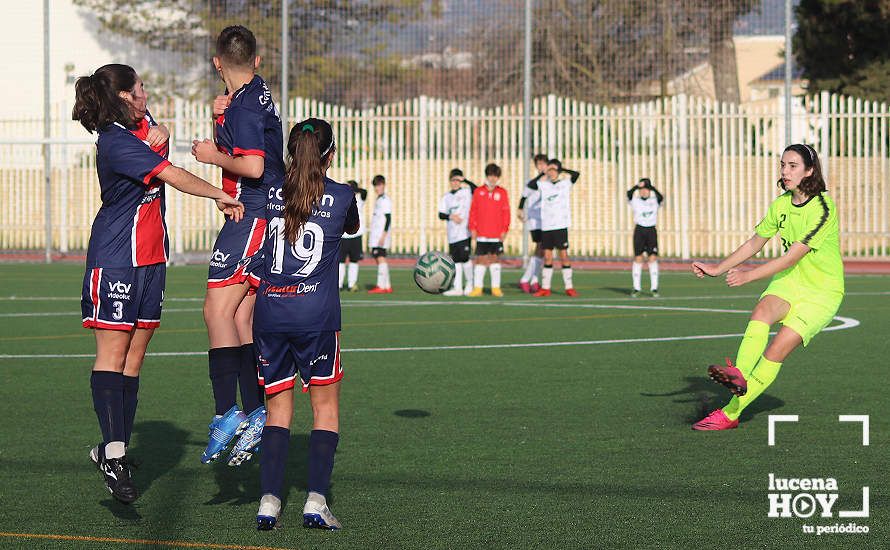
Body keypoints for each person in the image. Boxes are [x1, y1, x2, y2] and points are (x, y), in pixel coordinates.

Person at [73, 63, 244, 503]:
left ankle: (116, 449)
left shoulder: (139, 127)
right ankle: (112, 454)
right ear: (126, 96)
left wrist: (162, 131)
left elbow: (159, 130)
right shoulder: (115, 142)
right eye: (141, 88)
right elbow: (172, 175)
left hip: (151, 260)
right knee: (113, 355)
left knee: (134, 358)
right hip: (116, 259)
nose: (147, 93)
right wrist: (220, 194)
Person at [252, 118, 359, 530]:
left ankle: (268, 502)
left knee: (278, 411)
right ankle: (315, 500)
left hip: (270, 314)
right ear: (330, 155)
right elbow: (349, 225)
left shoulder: (270, 191)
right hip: (315, 317)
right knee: (325, 407)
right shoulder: (343, 194)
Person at [691, 144, 843, 431]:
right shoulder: (781, 204)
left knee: (775, 350)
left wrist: (748, 276)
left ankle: (731, 412)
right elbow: (755, 242)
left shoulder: (824, 208)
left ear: (810, 170)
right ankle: (739, 374)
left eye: (793, 166)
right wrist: (716, 268)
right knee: (762, 310)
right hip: (791, 282)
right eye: (782, 165)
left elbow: (791, 257)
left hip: (822, 292)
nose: (785, 171)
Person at [192, 25, 284, 465]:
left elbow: (251, 163)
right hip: (259, 212)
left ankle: (226, 411)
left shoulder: (245, 105)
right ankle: (256, 411)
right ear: (258, 61)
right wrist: (219, 117)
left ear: (216, 62)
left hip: (252, 216)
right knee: (242, 315)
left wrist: (212, 155)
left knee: (216, 310)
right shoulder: (255, 93)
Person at [532, 159, 580, 297]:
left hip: (560, 225)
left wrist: (561, 169)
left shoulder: (565, 184)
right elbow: (531, 186)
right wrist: (543, 173)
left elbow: (576, 174)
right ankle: (545, 288)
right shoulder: (543, 184)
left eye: (554, 170)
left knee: (563, 256)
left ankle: (569, 287)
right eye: (550, 170)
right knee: (547, 257)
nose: (552, 173)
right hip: (546, 226)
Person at [467, 163, 510, 297]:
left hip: (496, 233)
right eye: (491, 175)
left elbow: (506, 213)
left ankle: (495, 288)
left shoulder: (502, 192)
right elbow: (473, 211)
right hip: (481, 233)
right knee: (480, 259)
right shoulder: (478, 192)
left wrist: (505, 229)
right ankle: (478, 288)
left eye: (495, 176)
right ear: (487, 176)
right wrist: (472, 228)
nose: (493, 179)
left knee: (494, 259)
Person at [437, 168, 476, 296]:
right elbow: (441, 214)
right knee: (456, 260)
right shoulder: (446, 197)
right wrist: (451, 217)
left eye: (458, 180)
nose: (455, 182)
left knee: (465, 258)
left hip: (464, 232)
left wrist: (466, 180)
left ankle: (470, 284)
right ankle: (457, 287)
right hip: (452, 234)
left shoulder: (466, 192)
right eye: (453, 180)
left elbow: (477, 189)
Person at [627, 178, 664, 297]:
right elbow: (628, 193)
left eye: (646, 189)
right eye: (641, 190)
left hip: (651, 230)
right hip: (639, 230)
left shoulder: (655, 200)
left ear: (649, 190)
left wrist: (650, 186)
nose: (643, 192)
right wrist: (637, 186)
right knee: (638, 258)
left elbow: (661, 197)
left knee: (652, 258)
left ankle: (654, 288)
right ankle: (636, 287)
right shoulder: (635, 200)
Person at [518, 153, 548, 293]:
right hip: (536, 220)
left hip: (549, 220)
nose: (541, 167)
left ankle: (534, 280)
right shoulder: (533, 182)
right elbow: (524, 195)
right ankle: (525, 279)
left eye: (543, 164)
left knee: (543, 251)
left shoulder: (550, 182)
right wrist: (520, 209)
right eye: (538, 164)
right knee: (540, 248)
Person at [338, 180, 367, 292]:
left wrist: (355, 189)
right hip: (343, 235)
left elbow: (365, 192)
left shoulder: (359, 199)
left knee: (354, 260)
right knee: (340, 261)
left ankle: (351, 284)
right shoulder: (342, 200)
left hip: (356, 235)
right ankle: (339, 284)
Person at [367, 175, 393, 293]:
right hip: (376, 235)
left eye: (379, 185)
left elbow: (388, 219)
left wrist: (384, 235)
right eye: (376, 186)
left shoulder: (385, 200)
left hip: (381, 236)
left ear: (383, 185)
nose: (378, 188)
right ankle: (387, 285)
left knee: (380, 258)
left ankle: (381, 285)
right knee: (379, 259)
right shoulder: (379, 199)